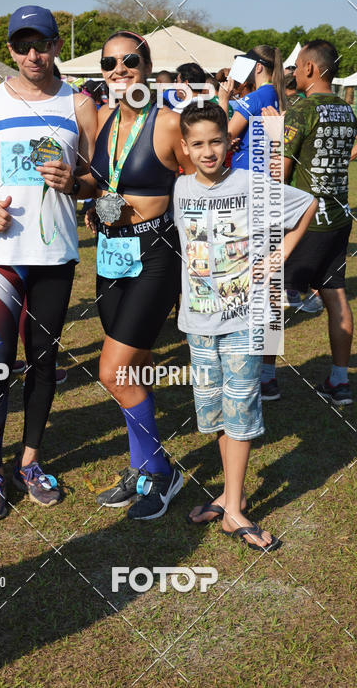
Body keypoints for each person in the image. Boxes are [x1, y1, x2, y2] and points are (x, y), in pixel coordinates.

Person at [0, 5, 96, 520]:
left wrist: (75, 184)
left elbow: (95, 181)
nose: (32, 55)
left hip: (55, 255)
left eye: (41, 44)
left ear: (58, 45)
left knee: (43, 363)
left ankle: (30, 462)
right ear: (11, 50)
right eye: (22, 46)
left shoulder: (79, 104)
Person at [175, 102, 316, 548]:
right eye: (197, 144)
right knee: (216, 412)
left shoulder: (253, 184)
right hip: (198, 321)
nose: (208, 151)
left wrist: (278, 258)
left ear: (230, 142)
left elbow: (307, 204)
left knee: (241, 411)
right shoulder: (180, 189)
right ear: (185, 148)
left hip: (244, 320)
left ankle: (233, 510)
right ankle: (228, 495)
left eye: (216, 141)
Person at [77, 31, 192, 521]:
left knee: (112, 371)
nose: (118, 70)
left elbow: (196, 185)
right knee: (137, 366)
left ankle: (160, 472)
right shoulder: (103, 120)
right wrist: (78, 189)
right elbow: (102, 182)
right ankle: (140, 466)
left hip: (156, 256)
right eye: (109, 63)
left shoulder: (167, 123)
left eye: (128, 61)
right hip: (111, 256)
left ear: (146, 65)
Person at [262, 40, 357, 406]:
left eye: (297, 66)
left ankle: (267, 379)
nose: (293, 72)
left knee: (271, 295)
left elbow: (279, 177)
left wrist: (273, 136)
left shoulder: (301, 111)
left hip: (304, 224)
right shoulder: (348, 111)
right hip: (338, 219)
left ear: (311, 70)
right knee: (335, 295)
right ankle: (339, 381)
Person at [217, 45, 286, 169]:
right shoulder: (278, 95)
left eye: (247, 63)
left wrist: (223, 100)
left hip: (246, 170)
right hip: (265, 169)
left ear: (258, 67)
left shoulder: (255, 97)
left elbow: (226, 136)